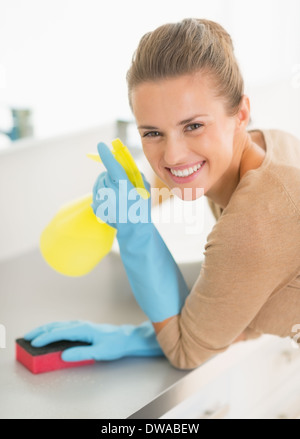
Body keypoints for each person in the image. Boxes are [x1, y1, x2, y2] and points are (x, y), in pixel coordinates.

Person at [25, 18, 300, 370]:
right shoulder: (268, 145)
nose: (172, 156)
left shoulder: (254, 225)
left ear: (241, 113)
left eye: (194, 126)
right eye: (153, 133)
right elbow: (242, 308)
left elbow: (189, 353)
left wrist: (136, 234)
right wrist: (138, 193)